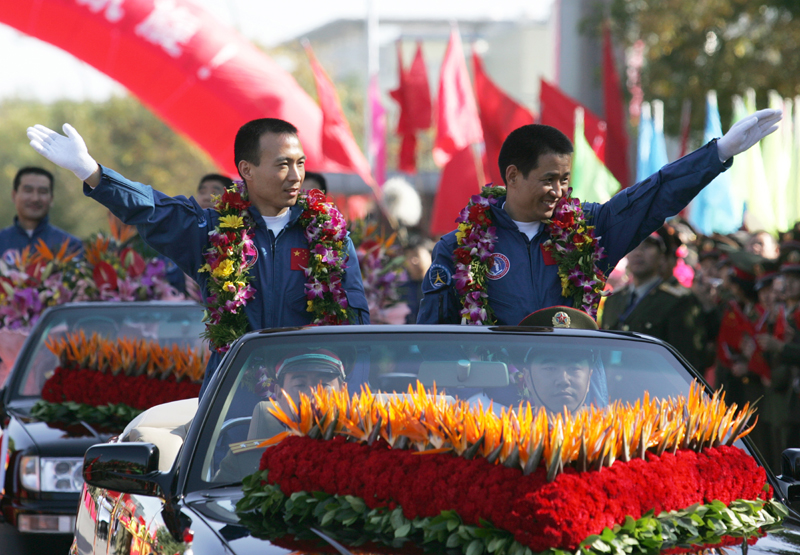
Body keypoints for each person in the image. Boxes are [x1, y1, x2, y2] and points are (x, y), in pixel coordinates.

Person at [26, 119, 369, 397]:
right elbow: (153, 209)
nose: (295, 177)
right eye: (282, 165)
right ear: (246, 170)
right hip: (234, 399)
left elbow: (355, 334)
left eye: (300, 164)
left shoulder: (330, 236)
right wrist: (93, 173)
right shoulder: (210, 231)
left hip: (313, 401)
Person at [418, 112, 782, 326]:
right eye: (548, 180)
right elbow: (433, 339)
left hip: (575, 403)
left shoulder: (588, 231)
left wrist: (717, 154)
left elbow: (652, 196)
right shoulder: (459, 248)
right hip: (490, 412)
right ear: (513, 176)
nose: (558, 191)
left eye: (564, 180)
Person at [214, 349, 347, 482]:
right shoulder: (243, 462)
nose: (312, 395)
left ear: (343, 393)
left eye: (324, 385)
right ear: (279, 394)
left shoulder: (360, 454)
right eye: (300, 384)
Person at [600, 228, 707, 371]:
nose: (638, 252)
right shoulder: (614, 299)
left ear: (662, 257)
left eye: (647, 246)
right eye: (633, 246)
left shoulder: (677, 301)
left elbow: (685, 360)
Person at [0, 166, 82, 260]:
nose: (35, 198)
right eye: (28, 191)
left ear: (51, 198)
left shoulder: (72, 247)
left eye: (42, 192)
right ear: (14, 195)